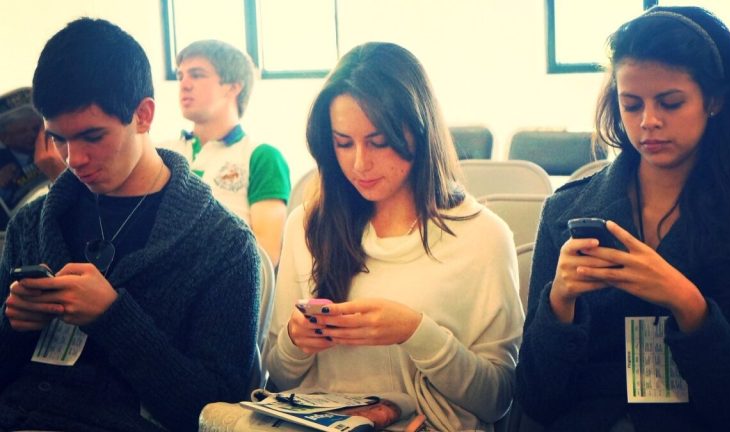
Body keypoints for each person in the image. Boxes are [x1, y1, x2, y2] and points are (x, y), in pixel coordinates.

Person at [0, 18, 260, 432]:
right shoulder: (30, 225)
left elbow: (216, 412)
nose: (73, 159)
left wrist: (112, 317)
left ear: (143, 115)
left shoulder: (223, 245)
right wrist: (13, 326)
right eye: (59, 139)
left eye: (92, 136)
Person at [516, 6, 730, 431]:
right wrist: (559, 304)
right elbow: (537, 400)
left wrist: (688, 304)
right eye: (631, 105)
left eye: (670, 103)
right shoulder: (567, 212)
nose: (649, 121)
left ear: (714, 100)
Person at [263, 42, 524, 431]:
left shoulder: (482, 237)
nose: (360, 163)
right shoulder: (306, 226)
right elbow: (280, 377)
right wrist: (295, 342)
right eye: (343, 143)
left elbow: (497, 400)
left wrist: (416, 333)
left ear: (419, 132)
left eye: (378, 142)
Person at [163, 39, 290, 266]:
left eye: (197, 75)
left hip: (225, 280)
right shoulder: (163, 153)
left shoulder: (261, 156)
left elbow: (267, 255)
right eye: (181, 76)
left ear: (233, 86)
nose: (184, 84)